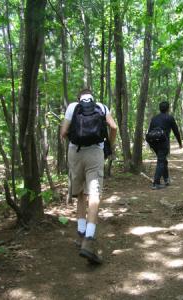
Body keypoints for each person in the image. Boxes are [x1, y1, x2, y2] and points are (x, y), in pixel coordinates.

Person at [60, 88, 117, 264]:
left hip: (75, 153)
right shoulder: (102, 107)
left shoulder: (72, 107)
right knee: (94, 194)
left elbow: (63, 133)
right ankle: (89, 240)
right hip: (95, 153)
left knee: (79, 195)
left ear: (79, 98)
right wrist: (110, 144)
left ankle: (81, 233)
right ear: (93, 97)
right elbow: (113, 127)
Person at [148, 101, 182, 190]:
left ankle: (166, 179)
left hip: (154, 143)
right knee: (161, 161)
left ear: (160, 108)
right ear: (168, 108)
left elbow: (149, 132)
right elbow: (176, 131)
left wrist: (151, 145)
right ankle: (156, 183)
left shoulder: (154, 118)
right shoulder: (169, 118)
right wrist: (180, 143)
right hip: (163, 142)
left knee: (163, 160)